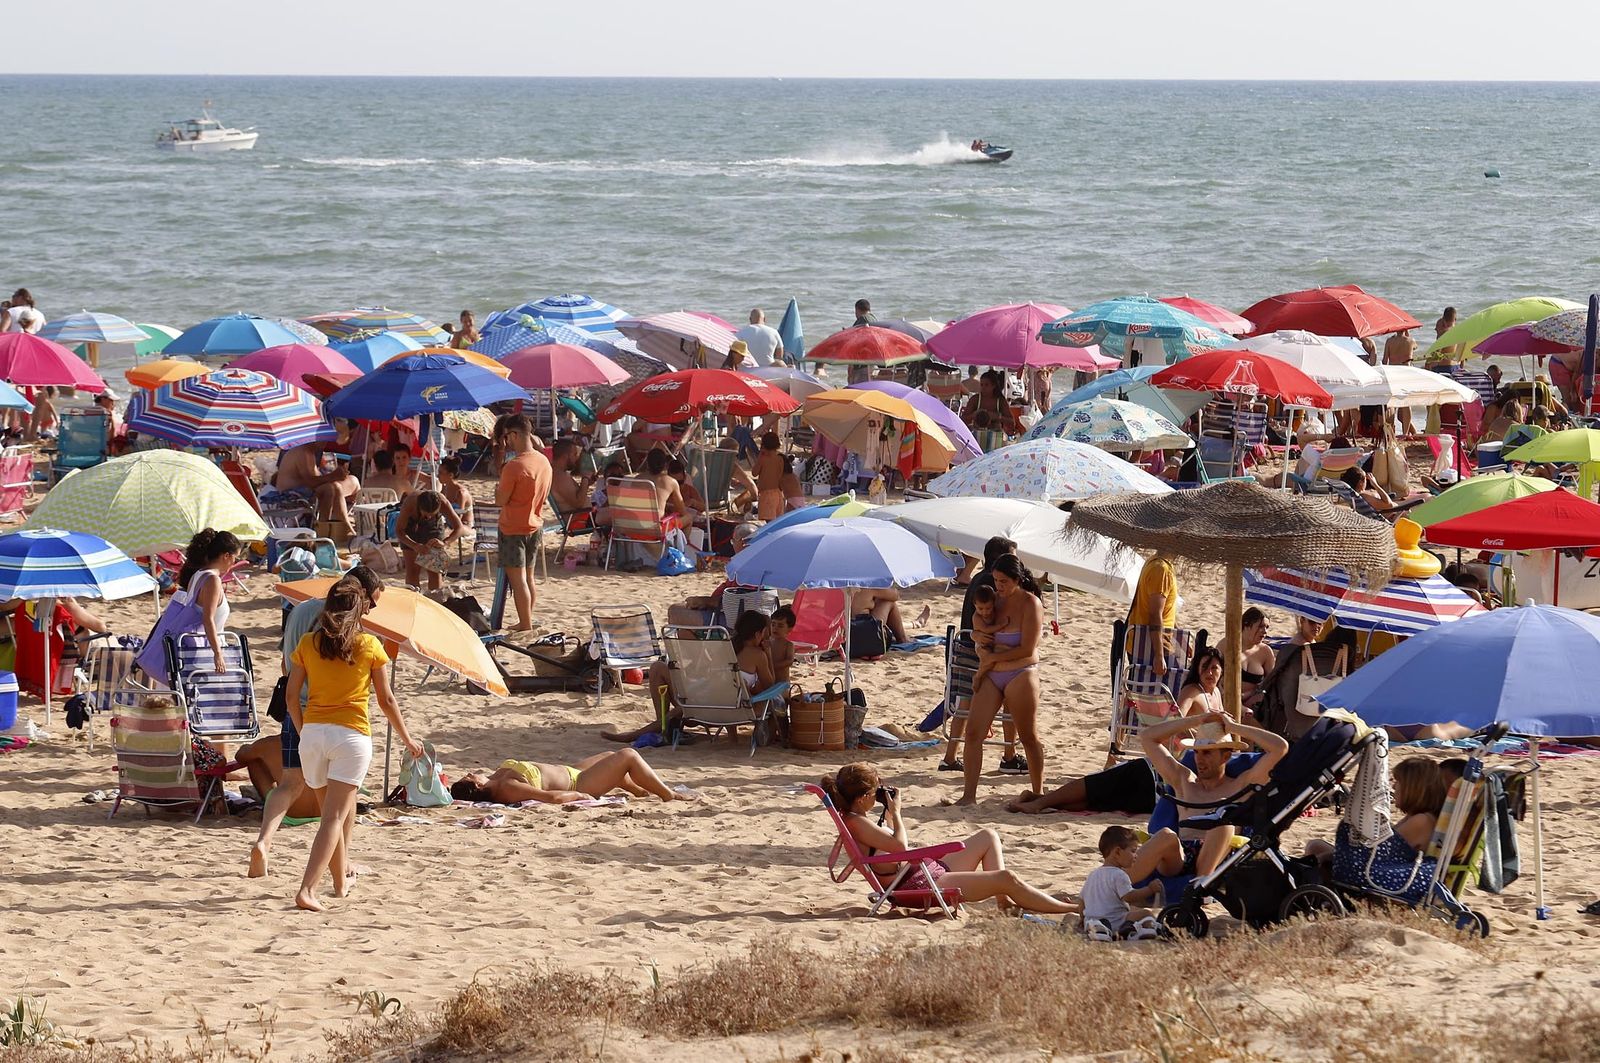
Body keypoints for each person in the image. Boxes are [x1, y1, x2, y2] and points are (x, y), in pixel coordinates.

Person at [288, 582, 422, 912]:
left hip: (313, 734)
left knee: (329, 817)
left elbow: (291, 697)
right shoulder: (369, 645)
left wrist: (305, 732)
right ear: (360, 609)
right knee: (334, 818)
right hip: (350, 735)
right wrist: (407, 738)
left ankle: (339, 883)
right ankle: (307, 889)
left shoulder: (308, 643)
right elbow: (386, 700)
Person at [250, 567, 384, 879]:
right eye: (372, 602)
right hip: (328, 714)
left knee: (289, 784)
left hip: (295, 708)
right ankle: (343, 863)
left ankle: (264, 842)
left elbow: (286, 663)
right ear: (360, 594)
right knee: (344, 796)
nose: (370, 610)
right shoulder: (345, 621)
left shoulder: (299, 611)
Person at [820, 762, 1080, 916]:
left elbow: (892, 849)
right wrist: (896, 814)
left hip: (923, 871)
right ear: (863, 797)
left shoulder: (856, 819)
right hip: (919, 884)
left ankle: (1003, 902)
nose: (878, 796)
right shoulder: (857, 823)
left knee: (988, 836)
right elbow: (900, 847)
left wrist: (889, 818)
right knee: (1007, 878)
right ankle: (1067, 909)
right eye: (875, 792)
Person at [1123, 712, 1288, 882]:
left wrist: (1234, 727)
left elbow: (1280, 748)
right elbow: (1148, 737)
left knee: (1223, 822)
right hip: (1181, 856)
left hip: (1218, 856)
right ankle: (1116, 888)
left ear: (1226, 756)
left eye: (1207, 753)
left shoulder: (1241, 785)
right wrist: (1197, 719)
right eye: (1196, 752)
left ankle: (1199, 887)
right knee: (1165, 835)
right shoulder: (1185, 781)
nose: (1199, 760)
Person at [602, 610, 777, 745]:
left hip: (697, 706)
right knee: (720, 693)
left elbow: (709, 675)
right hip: (728, 710)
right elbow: (772, 687)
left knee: (657, 668)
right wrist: (768, 654)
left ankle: (658, 728)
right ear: (758, 634)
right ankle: (658, 728)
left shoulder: (723, 647)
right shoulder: (757, 655)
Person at [956, 555, 1045, 805]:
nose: (999, 586)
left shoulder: (1030, 603)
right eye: (996, 580)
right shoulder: (993, 600)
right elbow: (978, 627)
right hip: (993, 672)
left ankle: (1038, 792)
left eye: (1003, 581)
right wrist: (977, 638)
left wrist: (992, 658)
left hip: (1020, 672)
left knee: (1028, 736)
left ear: (1017, 579)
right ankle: (968, 796)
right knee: (973, 733)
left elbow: (1028, 649)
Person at [1307, 758, 1451, 904]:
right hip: (1384, 868)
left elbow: (1379, 852)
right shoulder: (1416, 817)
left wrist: (1331, 855)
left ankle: (1316, 900)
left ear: (1412, 788)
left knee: (1317, 854)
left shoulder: (1421, 821)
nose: (1393, 786)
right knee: (1316, 846)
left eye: (1398, 782)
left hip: (1382, 880)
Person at [940, 536, 1024, 775]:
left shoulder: (977, 578)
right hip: (983, 650)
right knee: (1009, 701)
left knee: (964, 704)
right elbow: (999, 619)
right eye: (1012, 558)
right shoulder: (994, 585)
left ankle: (950, 757)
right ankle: (1009, 756)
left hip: (964, 647)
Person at [450, 747, 693, 805]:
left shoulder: (496, 778)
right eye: (468, 777)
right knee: (628, 755)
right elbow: (552, 798)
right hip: (579, 782)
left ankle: (640, 791)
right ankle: (668, 795)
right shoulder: (507, 788)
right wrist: (582, 796)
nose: (470, 772)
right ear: (477, 786)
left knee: (609, 755)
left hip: (572, 770)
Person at [496, 414, 553, 631]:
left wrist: (497, 489)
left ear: (515, 435)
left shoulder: (515, 466)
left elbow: (501, 500)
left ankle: (526, 625)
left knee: (518, 580)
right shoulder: (543, 461)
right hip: (535, 524)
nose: (507, 441)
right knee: (528, 578)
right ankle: (526, 620)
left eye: (507, 436)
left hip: (514, 528)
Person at [177, 530, 242, 674]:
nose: (234, 563)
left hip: (198, 650)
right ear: (226, 556)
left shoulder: (198, 574)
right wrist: (218, 654)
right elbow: (208, 619)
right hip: (206, 653)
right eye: (235, 558)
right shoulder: (212, 580)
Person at [1081, 825, 1162, 940]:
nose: (1136, 855)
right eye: (1133, 851)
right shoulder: (1119, 874)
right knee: (1146, 913)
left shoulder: (1092, 875)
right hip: (1116, 922)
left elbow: (1081, 902)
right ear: (1118, 852)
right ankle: (1143, 929)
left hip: (1092, 920)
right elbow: (1129, 896)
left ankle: (1097, 928)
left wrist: (1082, 920)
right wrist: (1149, 889)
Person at [273, 443, 360, 540]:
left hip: (302, 492)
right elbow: (310, 482)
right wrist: (333, 476)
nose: (325, 443)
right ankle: (326, 530)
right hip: (290, 495)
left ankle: (337, 526)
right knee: (329, 489)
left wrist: (333, 475)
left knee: (337, 486)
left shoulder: (309, 452)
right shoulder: (302, 452)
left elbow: (314, 479)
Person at [396, 489, 464, 593]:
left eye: (432, 514)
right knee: (412, 570)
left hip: (433, 528)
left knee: (434, 571)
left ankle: (435, 598)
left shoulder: (443, 503)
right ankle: (413, 597)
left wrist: (445, 543)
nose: (428, 517)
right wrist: (414, 545)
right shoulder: (410, 503)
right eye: (426, 515)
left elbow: (459, 528)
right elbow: (399, 531)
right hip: (411, 527)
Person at [1127, 549, 1178, 674]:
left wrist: (1180, 639)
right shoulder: (1161, 570)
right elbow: (1155, 614)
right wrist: (1159, 655)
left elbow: (1166, 610)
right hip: (1150, 646)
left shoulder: (1155, 562)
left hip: (1142, 642)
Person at [1215, 607, 1276, 710]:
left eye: (1267, 627)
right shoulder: (1227, 644)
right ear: (1246, 625)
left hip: (1253, 702)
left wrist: (1254, 694)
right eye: (1260, 626)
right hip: (1224, 699)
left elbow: (1271, 683)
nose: (1265, 631)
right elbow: (1213, 674)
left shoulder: (1265, 652)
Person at [753, 431, 785, 521]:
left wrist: (759, 457)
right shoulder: (780, 459)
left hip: (766, 494)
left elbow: (754, 473)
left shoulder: (763, 458)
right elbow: (780, 476)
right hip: (778, 493)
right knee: (777, 522)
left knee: (768, 522)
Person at [437, 455, 473, 530]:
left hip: (464, 527)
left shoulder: (461, 493)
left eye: (440, 473)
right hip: (450, 525)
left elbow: (459, 515)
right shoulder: (445, 488)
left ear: (450, 475)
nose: (438, 475)